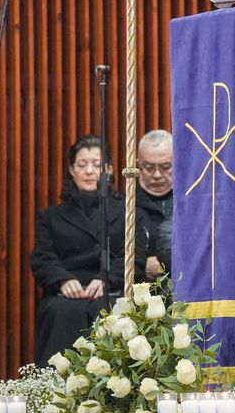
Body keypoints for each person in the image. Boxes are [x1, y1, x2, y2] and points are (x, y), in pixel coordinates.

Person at [30, 135, 147, 364]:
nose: (89, 171)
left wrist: (107, 279)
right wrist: (63, 280)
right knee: (58, 310)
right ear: (72, 170)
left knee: (114, 310)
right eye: (82, 165)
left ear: (110, 170)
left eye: (97, 164)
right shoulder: (51, 217)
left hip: (111, 289)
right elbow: (42, 257)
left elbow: (136, 256)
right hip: (67, 293)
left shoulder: (128, 211)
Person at [137, 130, 173, 278]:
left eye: (165, 167)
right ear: (138, 165)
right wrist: (138, 264)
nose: (157, 175)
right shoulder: (125, 206)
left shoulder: (191, 204)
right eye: (149, 167)